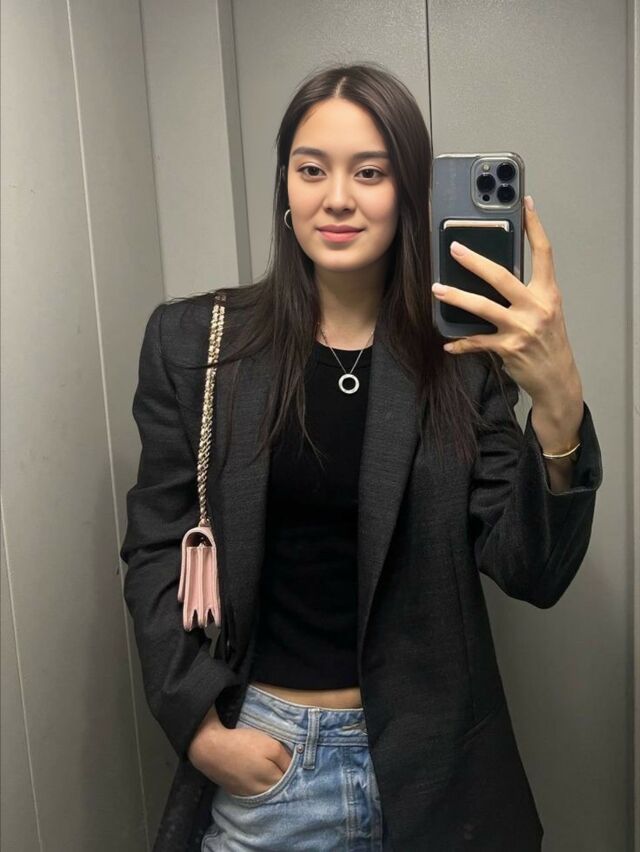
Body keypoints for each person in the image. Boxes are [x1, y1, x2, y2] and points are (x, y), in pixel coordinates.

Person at [119, 62, 603, 852]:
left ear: (409, 192)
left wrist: (558, 396)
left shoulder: (461, 361)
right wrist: (201, 730)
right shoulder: (196, 344)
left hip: (440, 774)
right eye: (311, 169)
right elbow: (154, 547)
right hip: (270, 769)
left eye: (369, 173)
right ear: (285, 184)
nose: (336, 198)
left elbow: (532, 571)